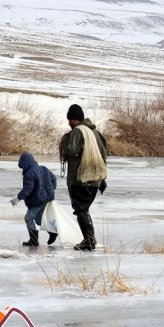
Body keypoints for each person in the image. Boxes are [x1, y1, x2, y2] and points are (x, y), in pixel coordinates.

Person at [60, 104, 108, 251]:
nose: (68, 123)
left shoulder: (77, 131)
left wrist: (65, 141)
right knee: (84, 209)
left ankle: (89, 240)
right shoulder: (97, 133)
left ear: (73, 120)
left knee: (81, 209)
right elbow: (104, 155)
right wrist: (103, 179)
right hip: (96, 179)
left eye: (69, 120)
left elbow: (72, 150)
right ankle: (89, 239)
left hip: (80, 178)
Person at [11, 152, 57, 246]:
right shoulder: (43, 168)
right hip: (47, 198)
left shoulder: (29, 174)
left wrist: (18, 198)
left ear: (25, 164)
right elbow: (54, 179)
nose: (22, 169)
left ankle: (34, 241)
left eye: (23, 166)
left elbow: (27, 189)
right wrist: (50, 190)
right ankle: (52, 233)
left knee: (28, 218)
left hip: (37, 200)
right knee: (39, 219)